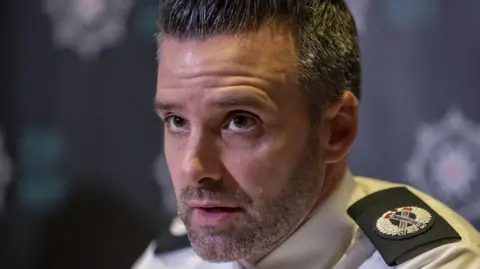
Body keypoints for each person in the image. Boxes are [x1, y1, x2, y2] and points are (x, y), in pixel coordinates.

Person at [134, 0, 480, 268]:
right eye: (177, 121)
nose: (194, 168)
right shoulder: (171, 258)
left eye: (239, 120)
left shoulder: (431, 261)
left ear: (336, 131)